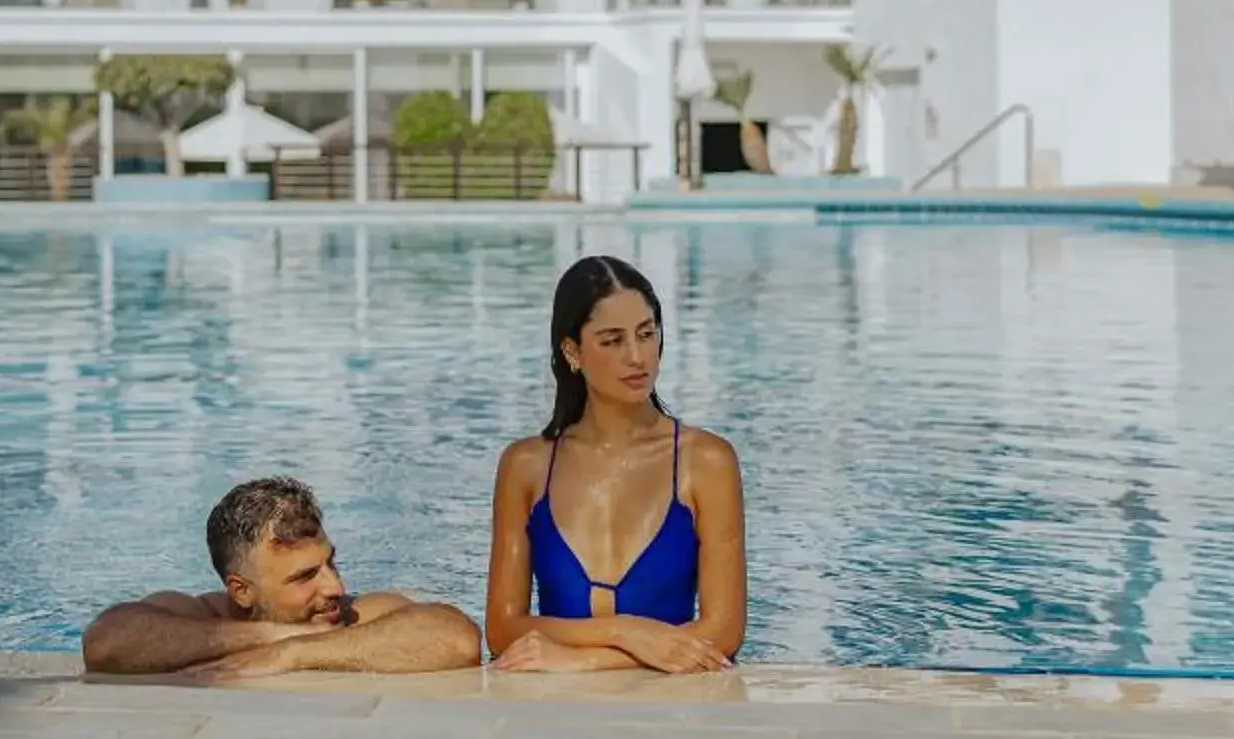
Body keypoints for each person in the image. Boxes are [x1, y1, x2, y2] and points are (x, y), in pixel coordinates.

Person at [485, 253, 747, 673]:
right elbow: (501, 629)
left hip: (671, 710)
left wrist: (581, 662)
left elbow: (724, 631)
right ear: (572, 351)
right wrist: (628, 632)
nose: (637, 357)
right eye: (612, 341)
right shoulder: (527, 467)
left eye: (646, 334)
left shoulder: (705, 462)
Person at [81, 475, 482, 677]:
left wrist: (294, 652)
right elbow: (105, 643)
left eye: (331, 563)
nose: (335, 588)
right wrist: (271, 635)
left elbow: (458, 638)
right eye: (305, 576)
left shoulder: (355, 614)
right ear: (240, 591)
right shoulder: (202, 616)